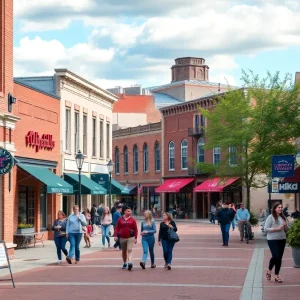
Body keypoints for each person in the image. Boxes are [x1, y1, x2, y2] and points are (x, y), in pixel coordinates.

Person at [264, 202, 289, 283]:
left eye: (281, 207)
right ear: (275, 208)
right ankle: (269, 270)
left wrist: (285, 226)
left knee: (279, 258)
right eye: (279, 207)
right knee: (276, 256)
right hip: (272, 239)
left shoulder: (283, 217)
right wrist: (276, 229)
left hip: (282, 239)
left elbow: (286, 230)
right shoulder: (270, 217)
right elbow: (266, 229)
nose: (280, 209)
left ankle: (277, 276)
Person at [114, 206, 138, 270]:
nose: (130, 212)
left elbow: (135, 229)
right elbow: (117, 228)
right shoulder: (120, 219)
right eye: (128, 211)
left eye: (130, 211)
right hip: (122, 237)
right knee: (124, 251)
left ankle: (130, 262)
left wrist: (136, 238)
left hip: (130, 237)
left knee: (129, 250)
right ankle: (125, 262)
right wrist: (115, 235)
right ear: (124, 212)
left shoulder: (133, 220)